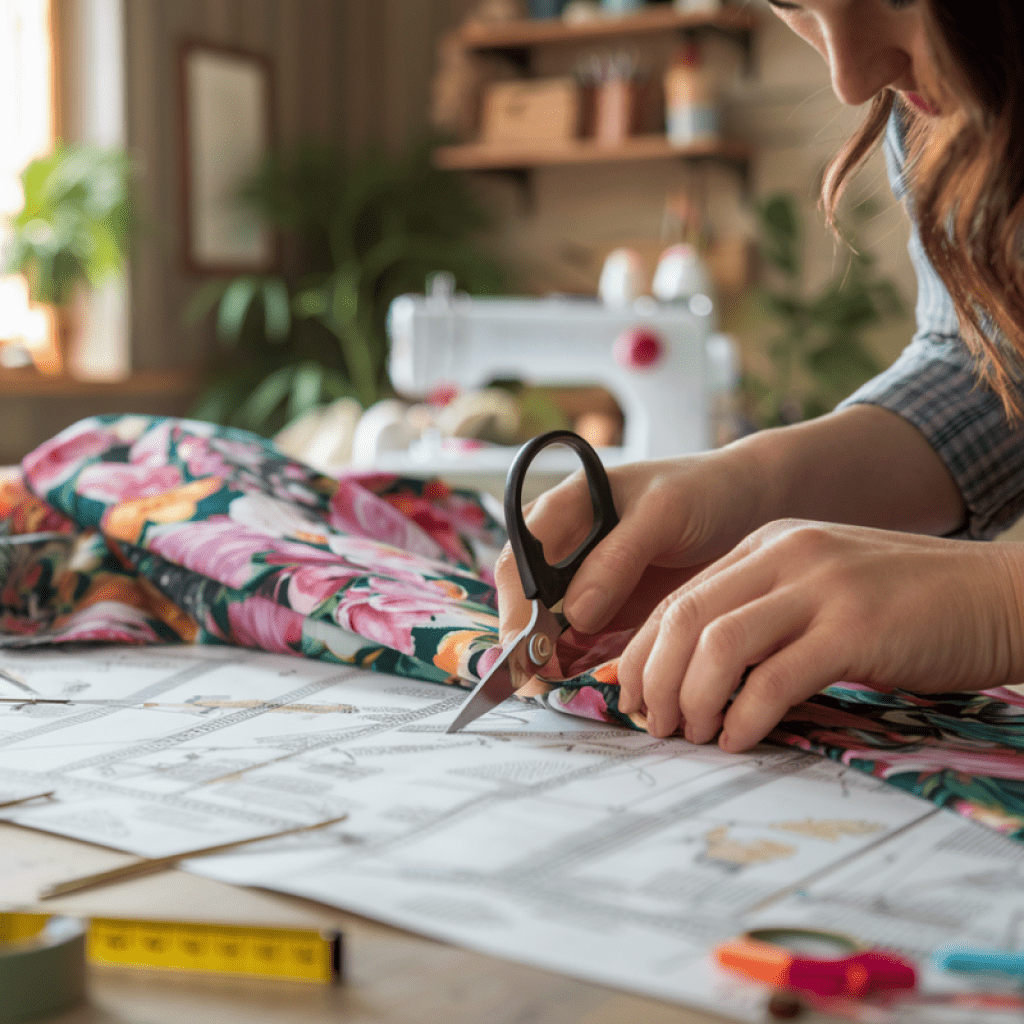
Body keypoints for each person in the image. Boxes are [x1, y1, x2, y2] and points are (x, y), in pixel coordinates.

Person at [495, 0, 1024, 754]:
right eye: (795, 6)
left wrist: (1002, 605)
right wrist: (754, 483)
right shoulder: (941, 92)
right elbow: (994, 366)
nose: (852, 77)